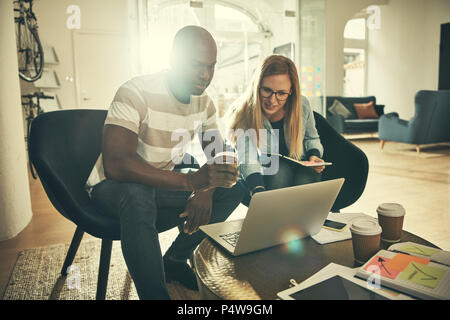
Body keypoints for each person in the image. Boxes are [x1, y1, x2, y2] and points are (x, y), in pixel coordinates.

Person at [86, 25, 245, 300]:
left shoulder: (203, 103)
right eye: (197, 66)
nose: (205, 76)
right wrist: (189, 181)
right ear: (174, 58)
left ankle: (173, 259)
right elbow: (117, 165)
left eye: (211, 66)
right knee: (138, 192)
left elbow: (217, 154)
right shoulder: (136, 91)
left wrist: (207, 189)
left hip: (160, 187)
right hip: (110, 188)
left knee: (235, 188)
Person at [227, 54, 325, 202]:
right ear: (257, 86)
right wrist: (257, 189)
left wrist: (314, 155)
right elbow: (247, 157)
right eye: (266, 90)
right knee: (279, 172)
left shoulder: (302, 105)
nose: (272, 100)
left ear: (291, 91)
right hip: (266, 168)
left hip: (301, 162)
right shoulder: (243, 111)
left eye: (281, 93)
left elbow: (312, 138)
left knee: (306, 183)